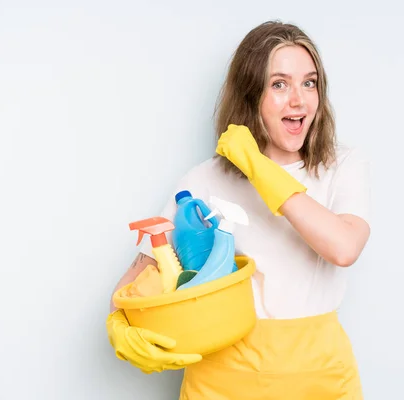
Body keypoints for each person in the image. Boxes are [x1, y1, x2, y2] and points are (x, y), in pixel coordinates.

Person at [106, 20, 371, 399]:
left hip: (322, 381)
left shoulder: (342, 166)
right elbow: (134, 282)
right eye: (279, 84)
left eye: (309, 83)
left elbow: (343, 248)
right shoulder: (203, 180)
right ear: (251, 95)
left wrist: (259, 168)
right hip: (222, 383)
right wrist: (119, 323)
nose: (298, 100)